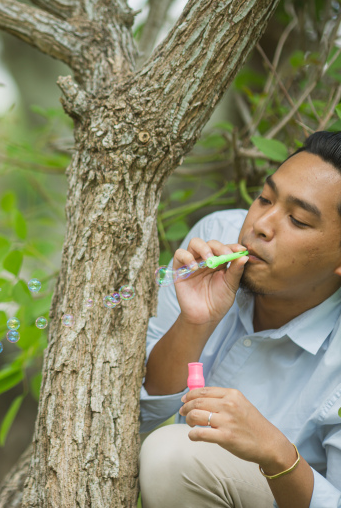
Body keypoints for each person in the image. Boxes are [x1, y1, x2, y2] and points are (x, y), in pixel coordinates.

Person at [138, 130, 341, 507]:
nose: (261, 224)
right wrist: (195, 322)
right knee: (170, 455)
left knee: (172, 456)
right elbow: (135, 418)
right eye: (264, 198)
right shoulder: (214, 237)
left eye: (298, 220)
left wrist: (275, 451)